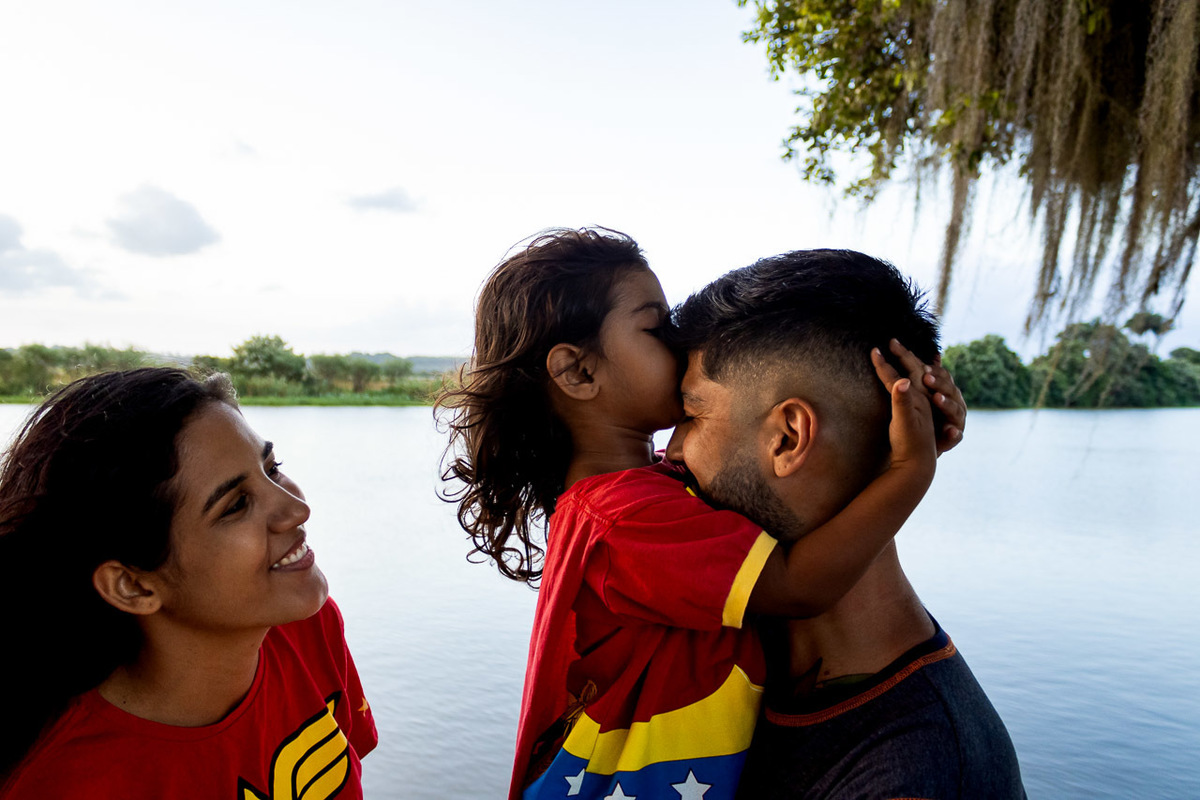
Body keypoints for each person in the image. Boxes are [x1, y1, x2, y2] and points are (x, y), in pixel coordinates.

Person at [438, 228, 964, 800]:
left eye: (696, 417)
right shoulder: (624, 517)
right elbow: (796, 584)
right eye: (654, 327)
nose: (675, 340)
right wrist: (909, 471)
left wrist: (895, 441)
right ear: (579, 373)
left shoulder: (643, 492)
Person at [665, 249, 1026, 799]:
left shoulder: (909, 776)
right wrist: (884, 465)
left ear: (788, 437)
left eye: (691, 416)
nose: (671, 452)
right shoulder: (744, 644)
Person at [0, 368, 377, 799]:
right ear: (132, 586)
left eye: (272, 469)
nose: (296, 509)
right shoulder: (68, 783)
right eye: (236, 505)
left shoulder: (305, 629)